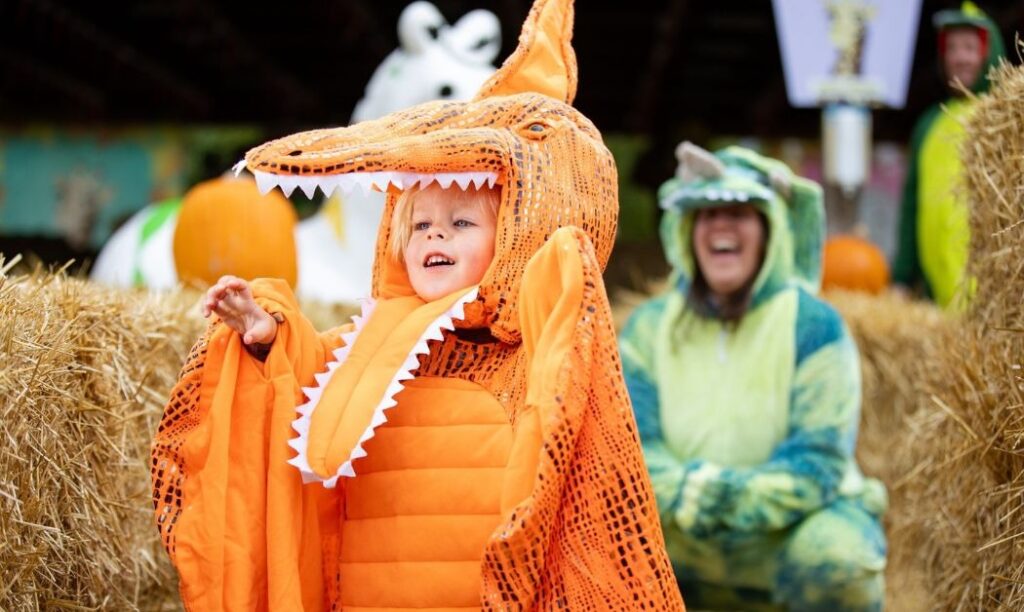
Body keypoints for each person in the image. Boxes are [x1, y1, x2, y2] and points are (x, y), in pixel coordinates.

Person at [149, 0, 684, 609]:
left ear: (514, 235)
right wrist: (264, 331)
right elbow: (305, 395)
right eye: (421, 223)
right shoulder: (373, 341)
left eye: (461, 222)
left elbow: (571, 469)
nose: (435, 235)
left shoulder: (533, 357)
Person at [620, 142, 887, 611]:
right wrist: (689, 498)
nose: (721, 224)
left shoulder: (813, 324)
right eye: (706, 212)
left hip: (785, 533)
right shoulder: (647, 328)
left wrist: (716, 497)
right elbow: (631, 451)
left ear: (771, 232)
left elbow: (816, 464)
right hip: (683, 536)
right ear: (687, 231)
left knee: (836, 560)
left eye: (740, 212)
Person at [893, 1, 1005, 308]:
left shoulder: (1007, 116)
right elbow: (911, 203)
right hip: (937, 298)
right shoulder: (930, 122)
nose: (959, 58)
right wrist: (902, 277)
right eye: (952, 49)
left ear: (989, 51)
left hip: (994, 300)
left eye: (969, 47)